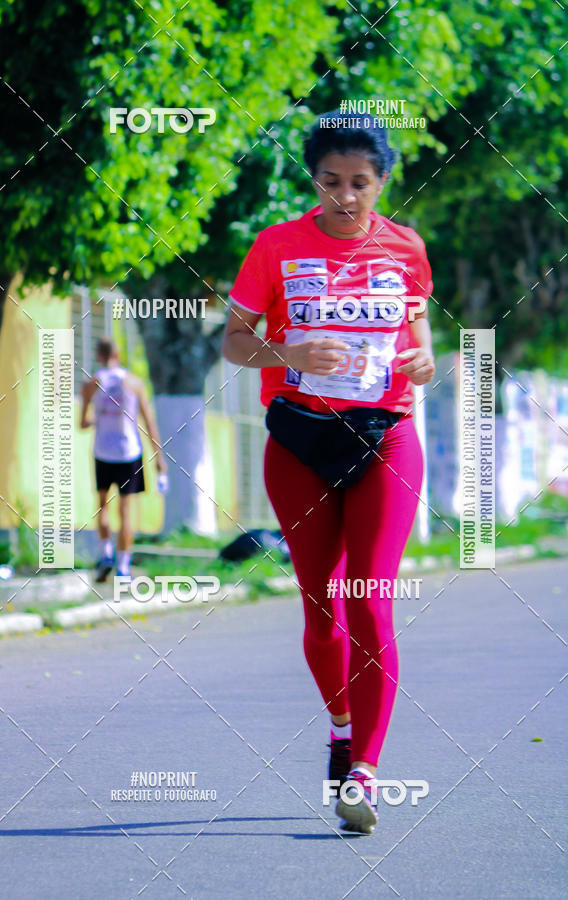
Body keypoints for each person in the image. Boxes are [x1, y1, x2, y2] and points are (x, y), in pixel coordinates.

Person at [221, 111, 435, 834]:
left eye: (362, 184)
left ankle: (365, 775)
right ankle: (340, 727)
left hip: (386, 437)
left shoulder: (407, 248)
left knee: (370, 597)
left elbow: (417, 334)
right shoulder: (277, 246)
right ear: (314, 180)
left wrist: (425, 360)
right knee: (322, 611)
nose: (347, 198)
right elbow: (234, 343)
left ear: (383, 182)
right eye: (332, 182)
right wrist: (290, 357)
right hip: (300, 442)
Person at [80, 337, 167, 582]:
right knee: (126, 511)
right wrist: (159, 459)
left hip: (102, 452)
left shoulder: (91, 384)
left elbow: (82, 423)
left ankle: (106, 555)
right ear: (118, 354)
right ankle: (123, 568)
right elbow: (149, 423)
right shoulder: (134, 383)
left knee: (102, 505)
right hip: (129, 452)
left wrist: (100, 417)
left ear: (98, 356)